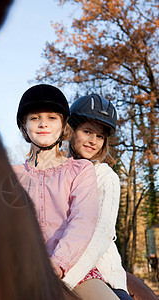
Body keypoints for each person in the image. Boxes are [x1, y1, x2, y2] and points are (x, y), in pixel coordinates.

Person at [13, 84, 119, 300]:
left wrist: (58, 264)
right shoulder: (11, 175)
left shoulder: (83, 171)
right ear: (24, 126)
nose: (43, 124)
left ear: (63, 127)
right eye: (34, 118)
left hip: (75, 268)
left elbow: (84, 221)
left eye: (52, 118)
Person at [63, 93, 133, 300]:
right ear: (71, 131)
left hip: (98, 270)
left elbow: (101, 234)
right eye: (87, 131)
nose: (93, 141)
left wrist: (67, 275)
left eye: (100, 136)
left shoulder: (105, 177)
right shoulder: (58, 172)